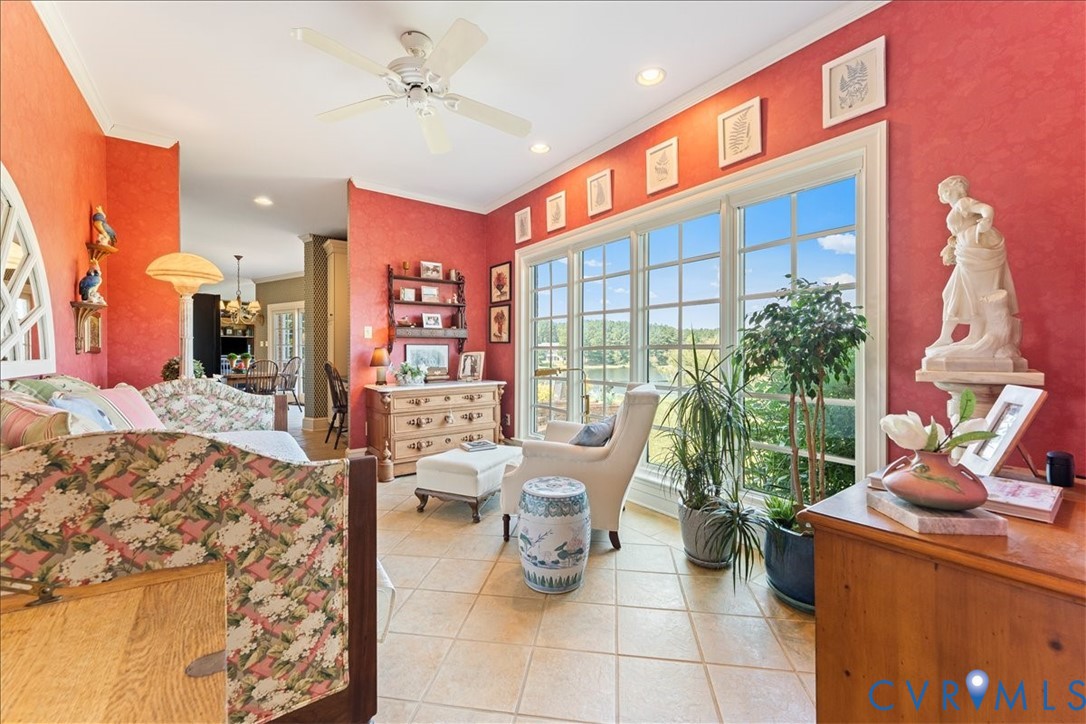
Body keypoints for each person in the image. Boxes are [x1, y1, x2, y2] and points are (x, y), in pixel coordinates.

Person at [926, 175, 1017, 352]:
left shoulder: (963, 202)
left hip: (974, 251)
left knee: (970, 294)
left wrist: (986, 221)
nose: (941, 195)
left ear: (949, 190)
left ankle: (966, 336)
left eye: (942, 191)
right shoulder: (958, 207)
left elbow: (986, 209)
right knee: (961, 293)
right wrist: (951, 246)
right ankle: (953, 336)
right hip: (967, 250)